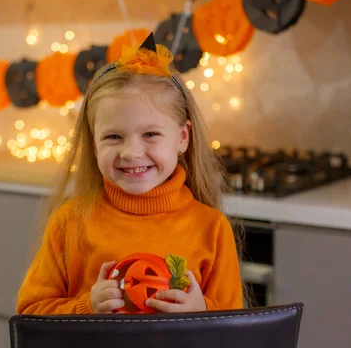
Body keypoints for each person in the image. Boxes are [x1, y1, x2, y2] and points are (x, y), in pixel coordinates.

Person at [16, 33, 244, 315]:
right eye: (113, 136)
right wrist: (86, 308)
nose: (131, 152)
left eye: (150, 134)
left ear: (182, 138)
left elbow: (235, 328)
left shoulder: (212, 228)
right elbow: (30, 314)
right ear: (94, 144)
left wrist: (201, 311)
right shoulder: (70, 222)